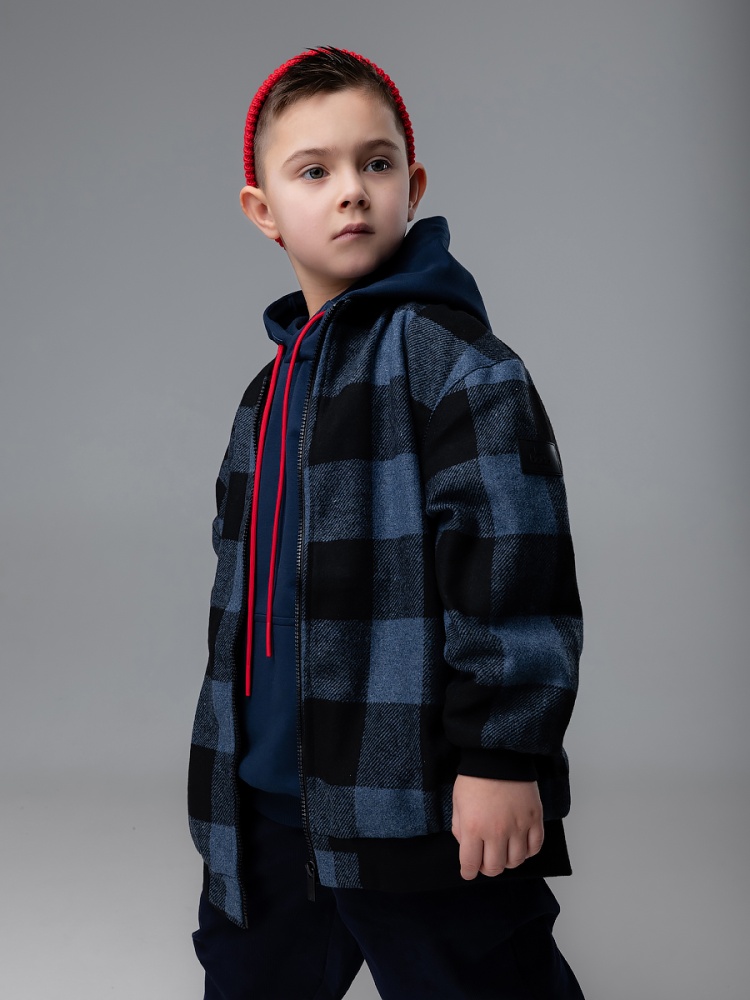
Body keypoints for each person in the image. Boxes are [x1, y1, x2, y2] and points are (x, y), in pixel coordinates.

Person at [188, 46, 585, 999]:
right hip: (268, 806)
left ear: (413, 186)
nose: (351, 191)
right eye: (313, 172)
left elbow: (515, 574)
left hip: (417, 803)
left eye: (375, 164)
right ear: (263, 210)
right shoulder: (263, 398)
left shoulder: (459, 367)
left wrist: (501, 759)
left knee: (483, 980)